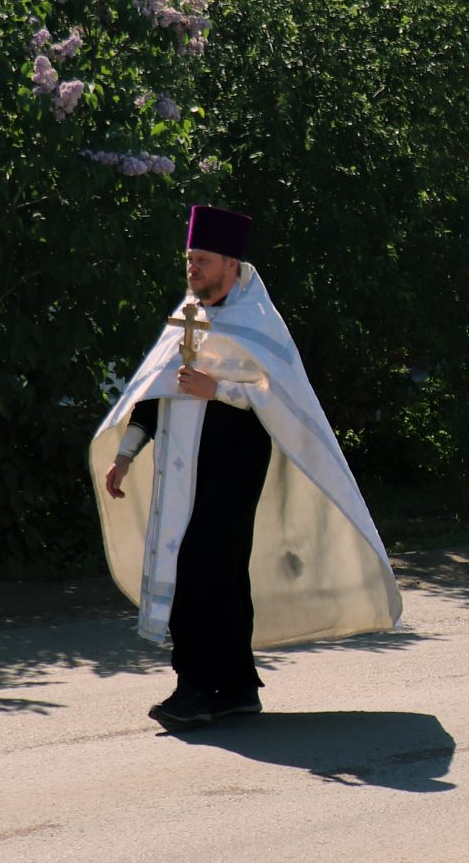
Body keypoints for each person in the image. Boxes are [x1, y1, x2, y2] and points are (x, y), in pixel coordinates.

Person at [95, 205, 400, 725]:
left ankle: (193, 687)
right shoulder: (184, 317)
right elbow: (153, 392)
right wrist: (125, 455)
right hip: (180, 470)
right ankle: (237, 687)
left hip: (236, 462)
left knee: (199, 567)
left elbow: (280, 397)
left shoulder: (258, 322)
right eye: (190, 259)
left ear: (232, 264)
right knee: (224, 572)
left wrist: (221, 390)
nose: (193, 269)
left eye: (204, 260)